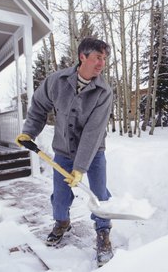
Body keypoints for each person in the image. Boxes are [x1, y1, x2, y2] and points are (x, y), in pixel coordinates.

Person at [15, 37, 113, 266]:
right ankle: (62, 222)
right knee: (60, 196)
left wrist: (80, 169)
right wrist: (29, 132)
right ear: (83, 57)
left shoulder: (104, 91)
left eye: (104, 59)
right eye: (98, 58)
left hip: (94, 151)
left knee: (99, 195)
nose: (102, 64)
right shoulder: (56, 81)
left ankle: (103, 232)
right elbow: (39, 107)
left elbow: (93, 132)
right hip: (64, 150)